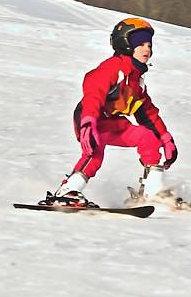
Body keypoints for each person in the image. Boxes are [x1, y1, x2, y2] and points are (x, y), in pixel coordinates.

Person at [40, 17, 178, 208]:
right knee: (94, 152)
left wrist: (165, 138)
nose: (147, 49)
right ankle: (67, 191)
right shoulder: (115, 67)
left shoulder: (136, 80)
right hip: (91, 119)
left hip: (114, 123)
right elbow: (92, 88)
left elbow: (146, 112)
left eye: (149, 45)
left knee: (148, 138)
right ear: (126, 45)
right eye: (140, 44)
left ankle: (152, 190)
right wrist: (88, 122)